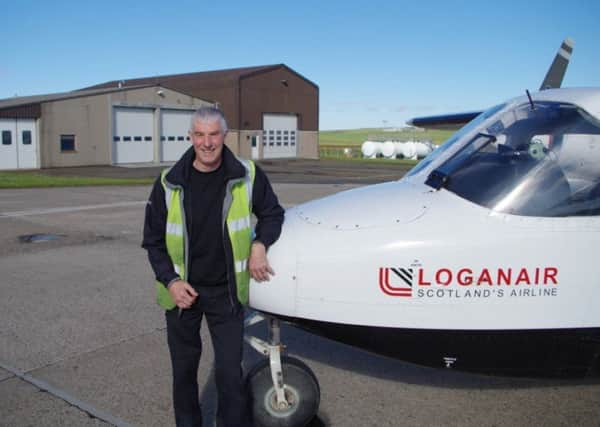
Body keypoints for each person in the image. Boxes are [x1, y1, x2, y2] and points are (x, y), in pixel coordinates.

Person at [142, 106, 284, 427]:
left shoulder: (247, 174)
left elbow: (273, 213)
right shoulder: (168, 182)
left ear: (225, 135)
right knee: (184, 373)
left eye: (214, 134)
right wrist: (171, 281)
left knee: (229, 374)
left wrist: (260, 244)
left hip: (226, 293)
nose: (207, 143)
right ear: (191, 137)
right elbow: (153, 240)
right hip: (183, 294)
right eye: (200, 134)